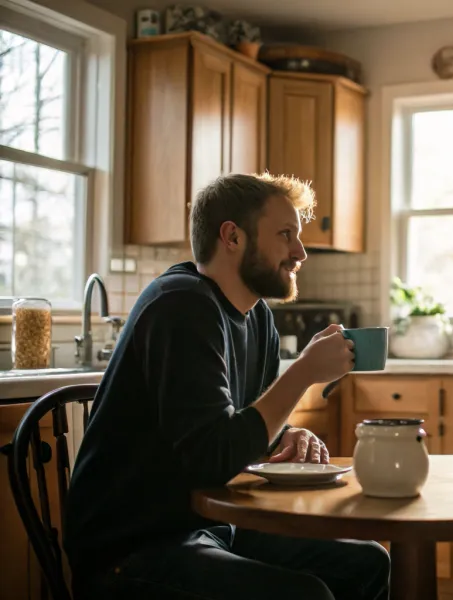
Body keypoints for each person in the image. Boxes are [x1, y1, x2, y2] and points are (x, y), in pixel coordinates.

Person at [64, 173, 390, 600]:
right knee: (303, 595)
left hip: (207, 528)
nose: (301, 252)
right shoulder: (180, 305)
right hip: (132, 548)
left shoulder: (258, 319)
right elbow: (212, 457)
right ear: (232, 237)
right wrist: (303, 372)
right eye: (286, 235)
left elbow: (235, 429)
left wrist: (284, 437)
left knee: (368, 561)